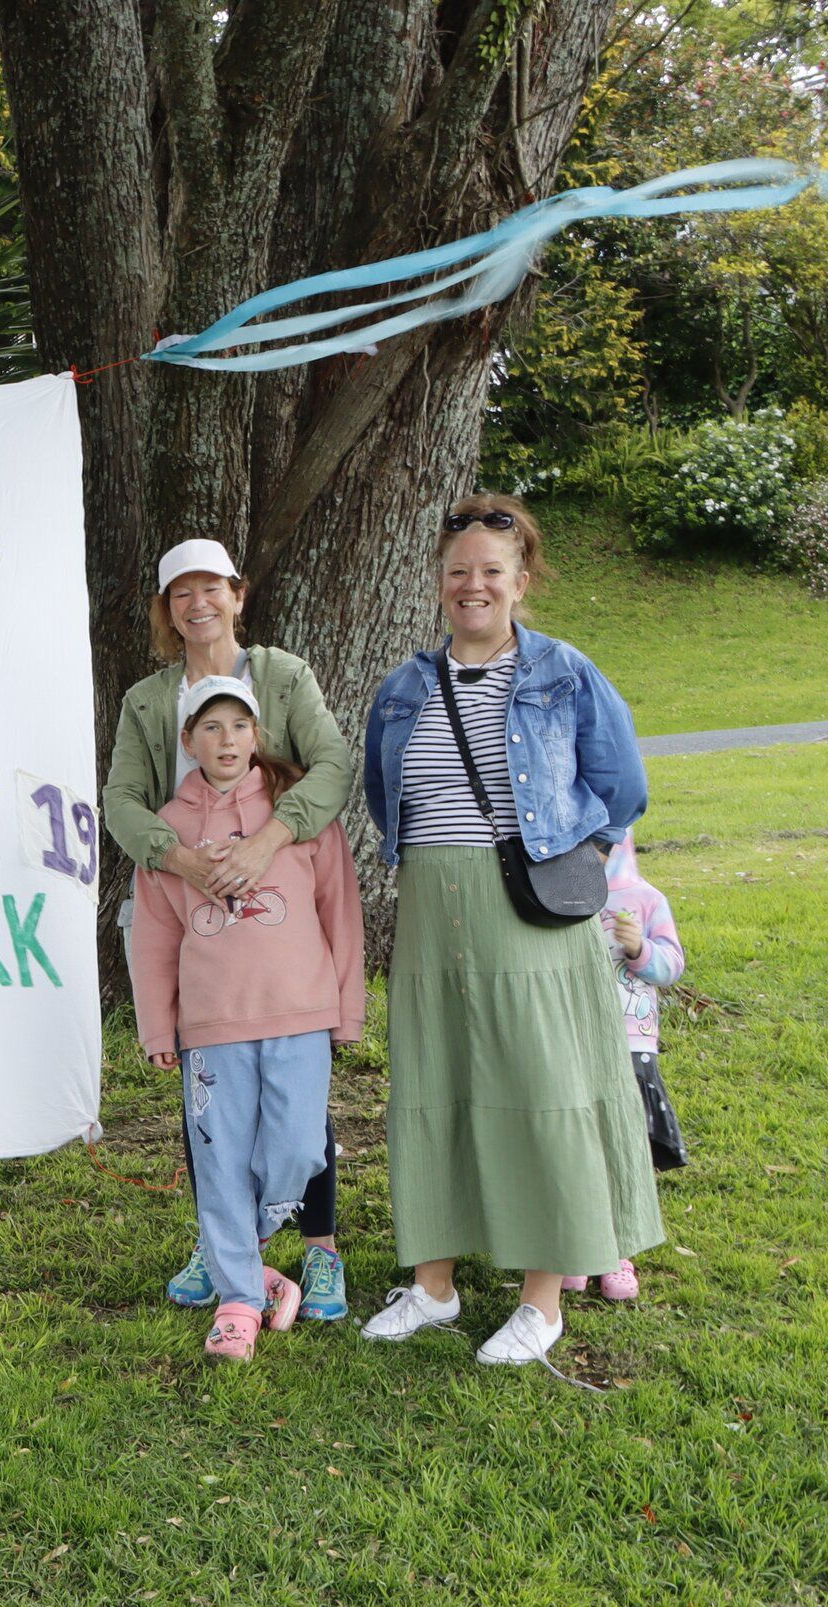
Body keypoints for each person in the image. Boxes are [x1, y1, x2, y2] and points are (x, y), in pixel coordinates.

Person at [358, 494, 660, 1368]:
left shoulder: (565, 672)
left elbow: (623, 787)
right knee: (433, 1084)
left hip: (531, 912)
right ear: (439, 583)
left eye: (492, 570)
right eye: (458, 572)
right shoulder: (407, 686)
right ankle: (435, 1287)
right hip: (431, 912)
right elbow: (390, 801)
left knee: (541, 1089)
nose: (473, 586)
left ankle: (541, 1300)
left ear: (521, 580)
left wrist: (573, 856)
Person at [101, 537, 360, 1322]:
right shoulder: (151, 701)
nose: (198, 603)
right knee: (212, 1101)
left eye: (211, 587)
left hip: (277, 900)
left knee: (296, 1109)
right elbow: (121, 801)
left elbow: (332, 767)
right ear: (166, 610)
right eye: (180, 592)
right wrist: (180, 860)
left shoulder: (280, 677)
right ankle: (225, 1246)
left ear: (237, 594)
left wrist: (267, 841)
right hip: (195, 909)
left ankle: (317, 1251)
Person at [130, 680, 365, 1362]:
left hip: (300, 1014)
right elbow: (152, 937)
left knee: (297, 1148)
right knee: (220, 1160)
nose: (226, 739)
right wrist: (156, 1028)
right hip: (211, 1027)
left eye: (239, 725)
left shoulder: (295, 816)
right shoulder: (169, 828)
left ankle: (245, 1244)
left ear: (257, 736)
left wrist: (347, 1012)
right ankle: (239, 1302)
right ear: (187, 741)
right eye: (210, 727)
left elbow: (340, 915)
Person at [569, 838, 689, 1302]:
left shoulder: (647, 898)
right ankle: (580, 1248)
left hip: (632, 1045)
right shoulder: (564, 893)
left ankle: (618, 1250)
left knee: (624, 1143)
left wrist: (640, 948)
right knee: (581, 1141)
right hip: (577, 1039)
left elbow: (672, 964)